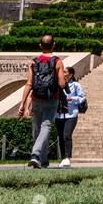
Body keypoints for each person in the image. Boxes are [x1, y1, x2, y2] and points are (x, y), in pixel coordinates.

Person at [18, 34, 68, 169]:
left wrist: (22, 104)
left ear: (40, 46)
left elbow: (29, 84)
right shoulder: (58, 61)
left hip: (36, 98)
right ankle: (36, 155)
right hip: (52, 98)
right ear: (54, 45)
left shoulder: (34, 62)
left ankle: (42, 161)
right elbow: (62, 84)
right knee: (46, 126)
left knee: (36, 129)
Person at [55, 70, 85, 168]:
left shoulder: (76, 85)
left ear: (70, 74)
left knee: (66, 135)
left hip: (71, 114)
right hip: (59, 114)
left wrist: (73, 99)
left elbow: (82, 98)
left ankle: (67, 157)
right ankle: (63, 158)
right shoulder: (58, 84)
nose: (63, 73)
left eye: (65, 71)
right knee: (60, 136)